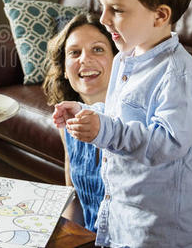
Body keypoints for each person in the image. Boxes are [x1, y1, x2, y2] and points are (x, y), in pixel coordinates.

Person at [53, 0, 192, 248]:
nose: (103, 18)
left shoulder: (178, 77)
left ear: (159, 15)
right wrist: (90, 114)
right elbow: (119, 119)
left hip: (156, 232)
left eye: (116, 9)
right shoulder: (126, 58)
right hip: (120, 217)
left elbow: (164, 145)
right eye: (103, 6)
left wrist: (104, 129)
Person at [43, 13, 117, 232]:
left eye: (98, 49)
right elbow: (74, 198)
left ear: (118, 59)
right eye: (74, 53)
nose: (84, 59)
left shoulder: (131, 125)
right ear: (65, 70)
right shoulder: (66, 122)